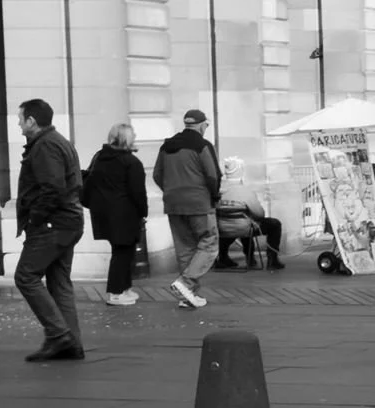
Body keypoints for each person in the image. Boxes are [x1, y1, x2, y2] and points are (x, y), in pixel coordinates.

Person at [14, 98, 86, 360]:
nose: (18, 124)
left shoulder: (45, 146)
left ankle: (59, 335)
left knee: (26, 276)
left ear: (32, 120)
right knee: (59, 282)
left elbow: (52, 188)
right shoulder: (56, 141)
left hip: (53, 223)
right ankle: (71, 344)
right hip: (66, 222)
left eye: (20, 119)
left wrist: (35, 218)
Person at [154, 109, 221, 309]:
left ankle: (188, 295)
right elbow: (213, 176)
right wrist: (215, 196)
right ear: (201, 125)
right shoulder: (203, 145)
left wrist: (171, 191)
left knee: (185, 248)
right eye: (206, 126)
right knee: (209, 244)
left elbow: (157, 174)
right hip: (199, 202)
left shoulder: (167, 146)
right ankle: (186, 284)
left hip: (173, 203)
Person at [82, 122, 149, 306]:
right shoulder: (131, 162)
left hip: (103, 212)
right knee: (122, 254)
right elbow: (138, 193)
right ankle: (116, 292)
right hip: (125, 213)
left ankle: (125, 288)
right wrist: (143, 212)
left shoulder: (100, 157)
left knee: (122, 251)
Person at [213, 156, 284, 270]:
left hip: (222, 230)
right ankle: (272, 259)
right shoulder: (246, 192)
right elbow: (260, 214)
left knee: (242, 223)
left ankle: (223, 258)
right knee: (273, 224)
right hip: (244, 229)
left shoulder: (218, 191)